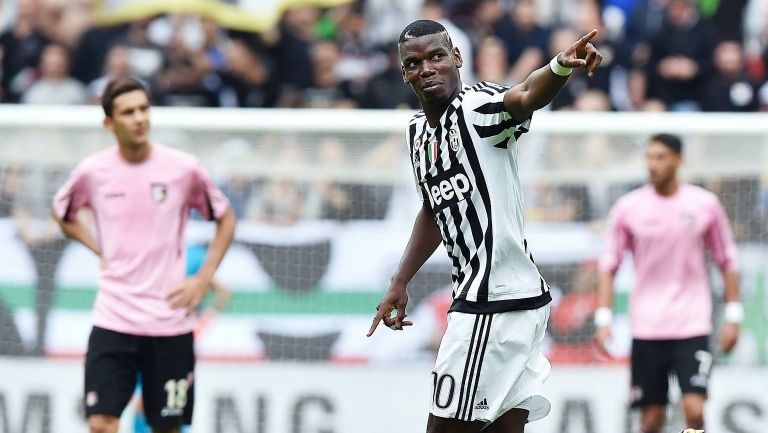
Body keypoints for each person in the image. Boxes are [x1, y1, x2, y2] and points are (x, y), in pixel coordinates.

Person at [367, 19, 602, 433]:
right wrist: (400, 279)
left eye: (436, 55)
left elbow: (527, 93)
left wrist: (561, 66)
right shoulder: (417, 133)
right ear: (404, 74)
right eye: (413, 63)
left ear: (457, 57)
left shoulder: (477, 108)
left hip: (494, 304)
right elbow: (433, 206)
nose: (426, 68)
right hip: (503, 301)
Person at [51, 77, 236, 433]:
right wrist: (99, 247)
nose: (138, 118)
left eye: (143, 109)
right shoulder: (93, 172)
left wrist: (202, 279)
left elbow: (226, 217)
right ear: (109, 123)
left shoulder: (183, 168)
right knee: (101, 424)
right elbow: (62, 214)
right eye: (127, 112)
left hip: (169, 323)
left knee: (165, 427)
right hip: (113, 319)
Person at [595, 133, 741, 433]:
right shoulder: (628, 207)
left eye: (660, 157)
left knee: (694, 409)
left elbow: (727, 260)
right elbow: (608, 265)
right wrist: (604, 317)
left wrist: (733, 316)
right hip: (647, 326)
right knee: (650, 419)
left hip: (692, 324)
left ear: (678, 160)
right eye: (649, 157)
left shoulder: (705, 205)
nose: (653, 164)